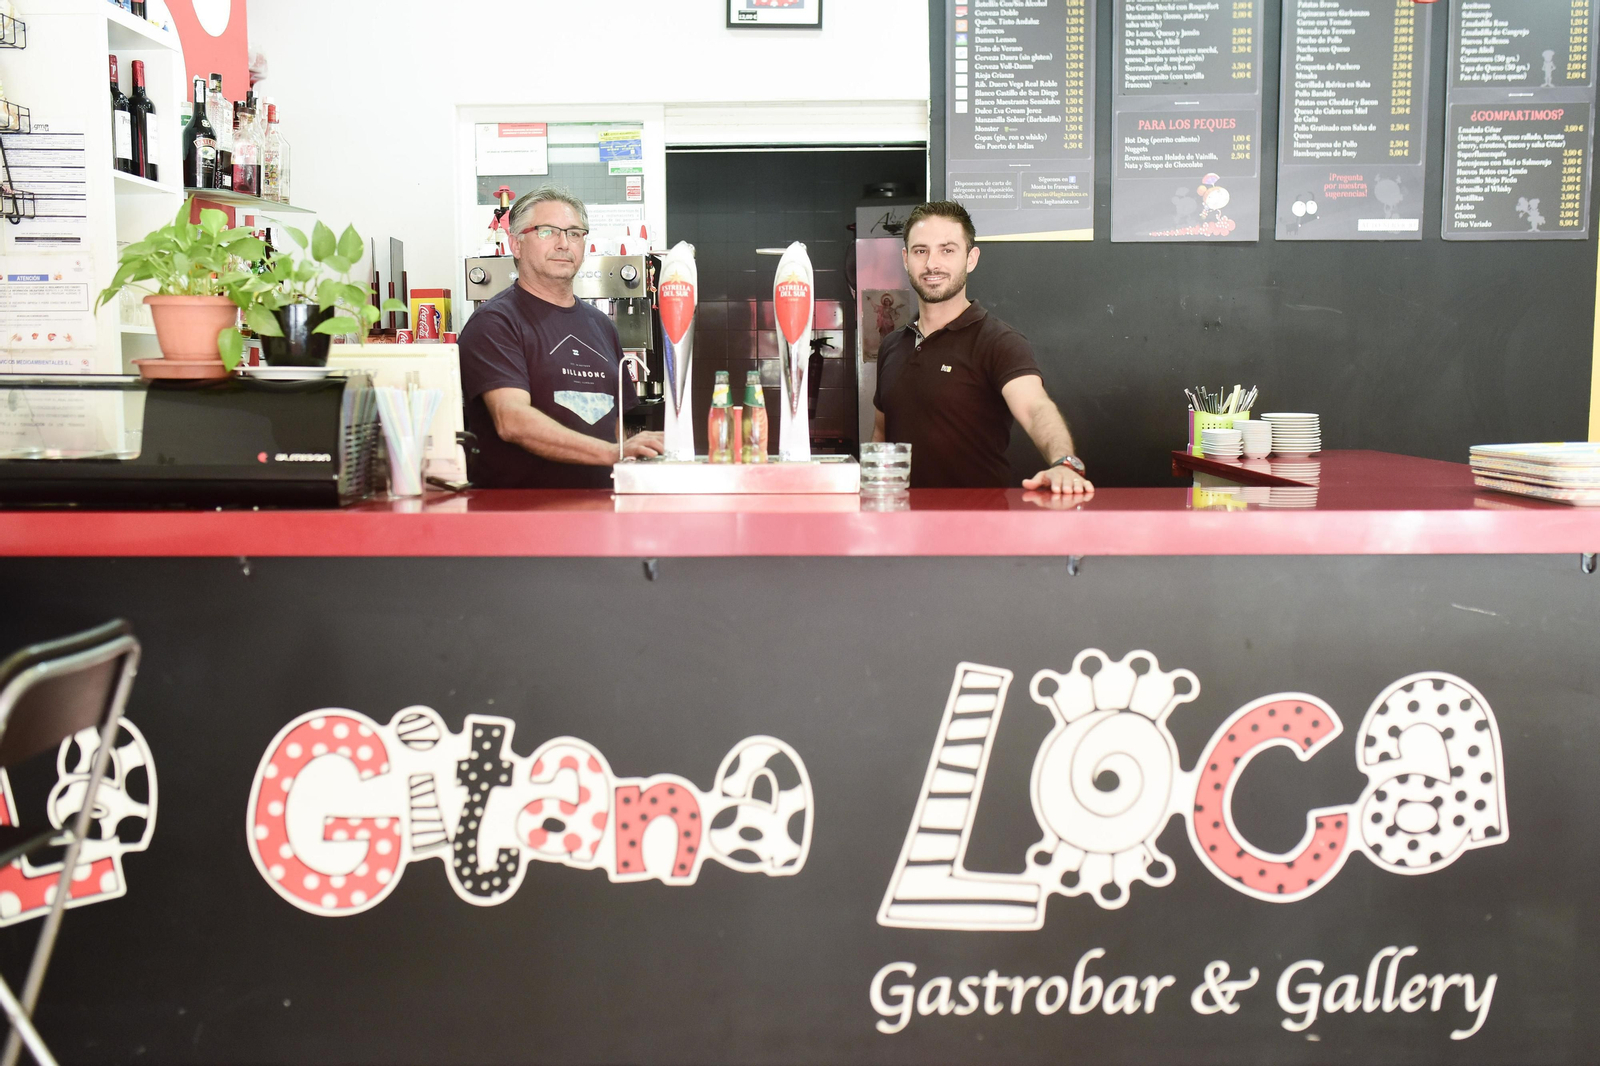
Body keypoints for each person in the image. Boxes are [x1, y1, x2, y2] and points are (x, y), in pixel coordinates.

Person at [871, 200, 1091, 495]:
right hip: (903, 527)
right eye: (920, 250)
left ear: (971, 259)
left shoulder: (997, 341)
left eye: (947, 250)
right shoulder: (891, 346)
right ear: (905, 258)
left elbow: (1036, 408)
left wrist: (1064, 463)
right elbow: (881, 435)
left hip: (978, 529)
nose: (931, 263)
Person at [458, 186, 663, 488]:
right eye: (547, 232)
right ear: (516, 244)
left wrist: (631, 466)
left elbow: (615, 423)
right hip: (523, 517)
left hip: (599, 509)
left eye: (574, 233)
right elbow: (512, 420)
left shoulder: (601, 324)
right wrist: (612, 452)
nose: (564, 243)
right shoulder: (495, 322)